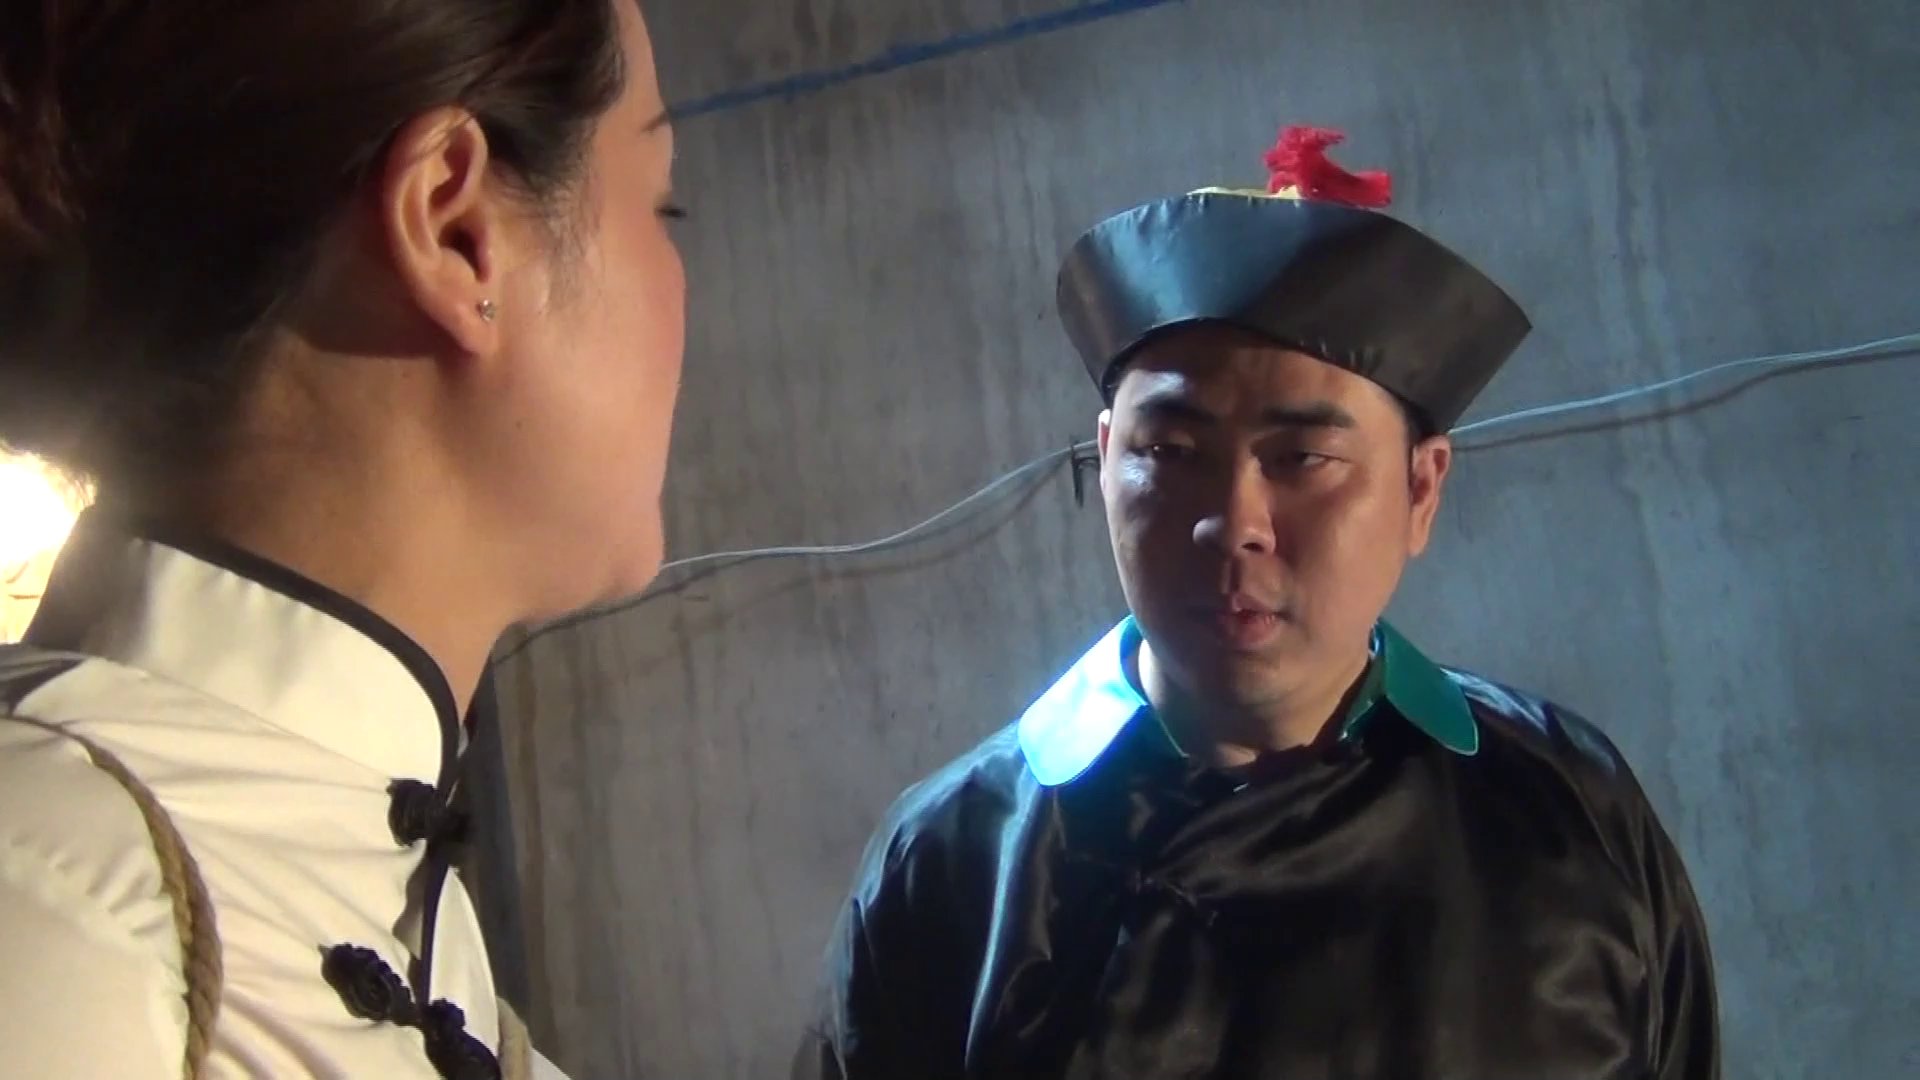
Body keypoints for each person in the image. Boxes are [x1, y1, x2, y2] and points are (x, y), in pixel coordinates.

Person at [800, 126, 1720, 1079]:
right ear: (1106, 460)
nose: (1232, 524)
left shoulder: (1568, 811)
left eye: (1303, 458)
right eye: (1170, 452)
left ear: (1420, 490)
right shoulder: (956, 862)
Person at [0, 0, 686, 1076]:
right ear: (455, 231)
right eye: (662, 203)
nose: (685, 280)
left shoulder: (384, 919)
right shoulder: (59, 922)